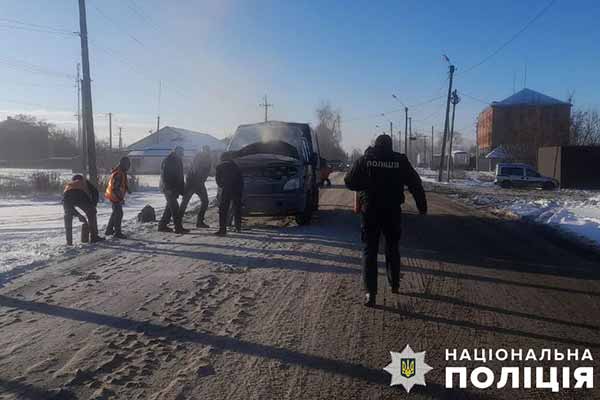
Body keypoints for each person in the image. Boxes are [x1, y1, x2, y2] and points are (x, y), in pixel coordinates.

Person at [344, 134, 427, 307]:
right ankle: (394, 284)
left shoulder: (366, 159)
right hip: (392, 211)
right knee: (392, 247)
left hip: (371, 211)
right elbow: (415, 184)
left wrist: (365, 188)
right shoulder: (400, 160)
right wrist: (422, 207)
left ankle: (370, 293)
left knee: (370, 250)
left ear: (375, 145)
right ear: (390, 146)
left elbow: (349, 181)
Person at [63, 174, 104, 245]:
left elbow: (67, 205)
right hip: (81, 195)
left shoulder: (69, 185)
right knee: (91, 213)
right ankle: (94, 237)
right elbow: (95, 192)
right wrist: (93, 205)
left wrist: (78, 215)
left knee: (67, 215)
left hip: (67, 196)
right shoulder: (84, 182)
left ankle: (69, 242)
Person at [158, 146, 189, 234]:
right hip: (168, 188)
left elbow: (179, 176)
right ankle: (178, 227)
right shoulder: (169, 160)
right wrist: (168, 188)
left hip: (173, 188)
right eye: (181, 153)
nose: (182, 155)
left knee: (169, 208)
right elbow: (165, 176)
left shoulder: (177, 160)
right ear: (176, 152)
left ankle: (162, 225)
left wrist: (182, 190)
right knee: (175, 208)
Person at [180, 146, 212, 228]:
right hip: (192, 183)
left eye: (208, 151)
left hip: (199, 183)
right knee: (185, 202)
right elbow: (195, 170)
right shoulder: (198, 157)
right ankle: (178, 221)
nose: (207, 152)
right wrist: (197, 180)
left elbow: (206, 171)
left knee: (205, 202)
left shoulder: (208, 158)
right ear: (203, 150)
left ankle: (200, 222)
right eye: (206, 151)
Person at [215, 151, 243, 235]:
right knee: (237, 208)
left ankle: (222, 230)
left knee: (223, 209)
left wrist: (223, 185)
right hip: (237, 190)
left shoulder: (219, 166)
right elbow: (241, 180)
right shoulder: (236, 166)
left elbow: (218, 181)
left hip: (226, 190)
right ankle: (238, 227)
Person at [104, 156, 131, 239]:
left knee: (115, 213)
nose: (128, 166)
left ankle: (109, 230)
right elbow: (115, 188)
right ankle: (117, 233)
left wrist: (127, 189)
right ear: (123, 164)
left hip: (115, 196)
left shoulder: (121, 172)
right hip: (114, 196)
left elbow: (122, 184)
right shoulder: (118, 173)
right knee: (119, 213)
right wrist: (120, 199)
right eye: (127, 164)